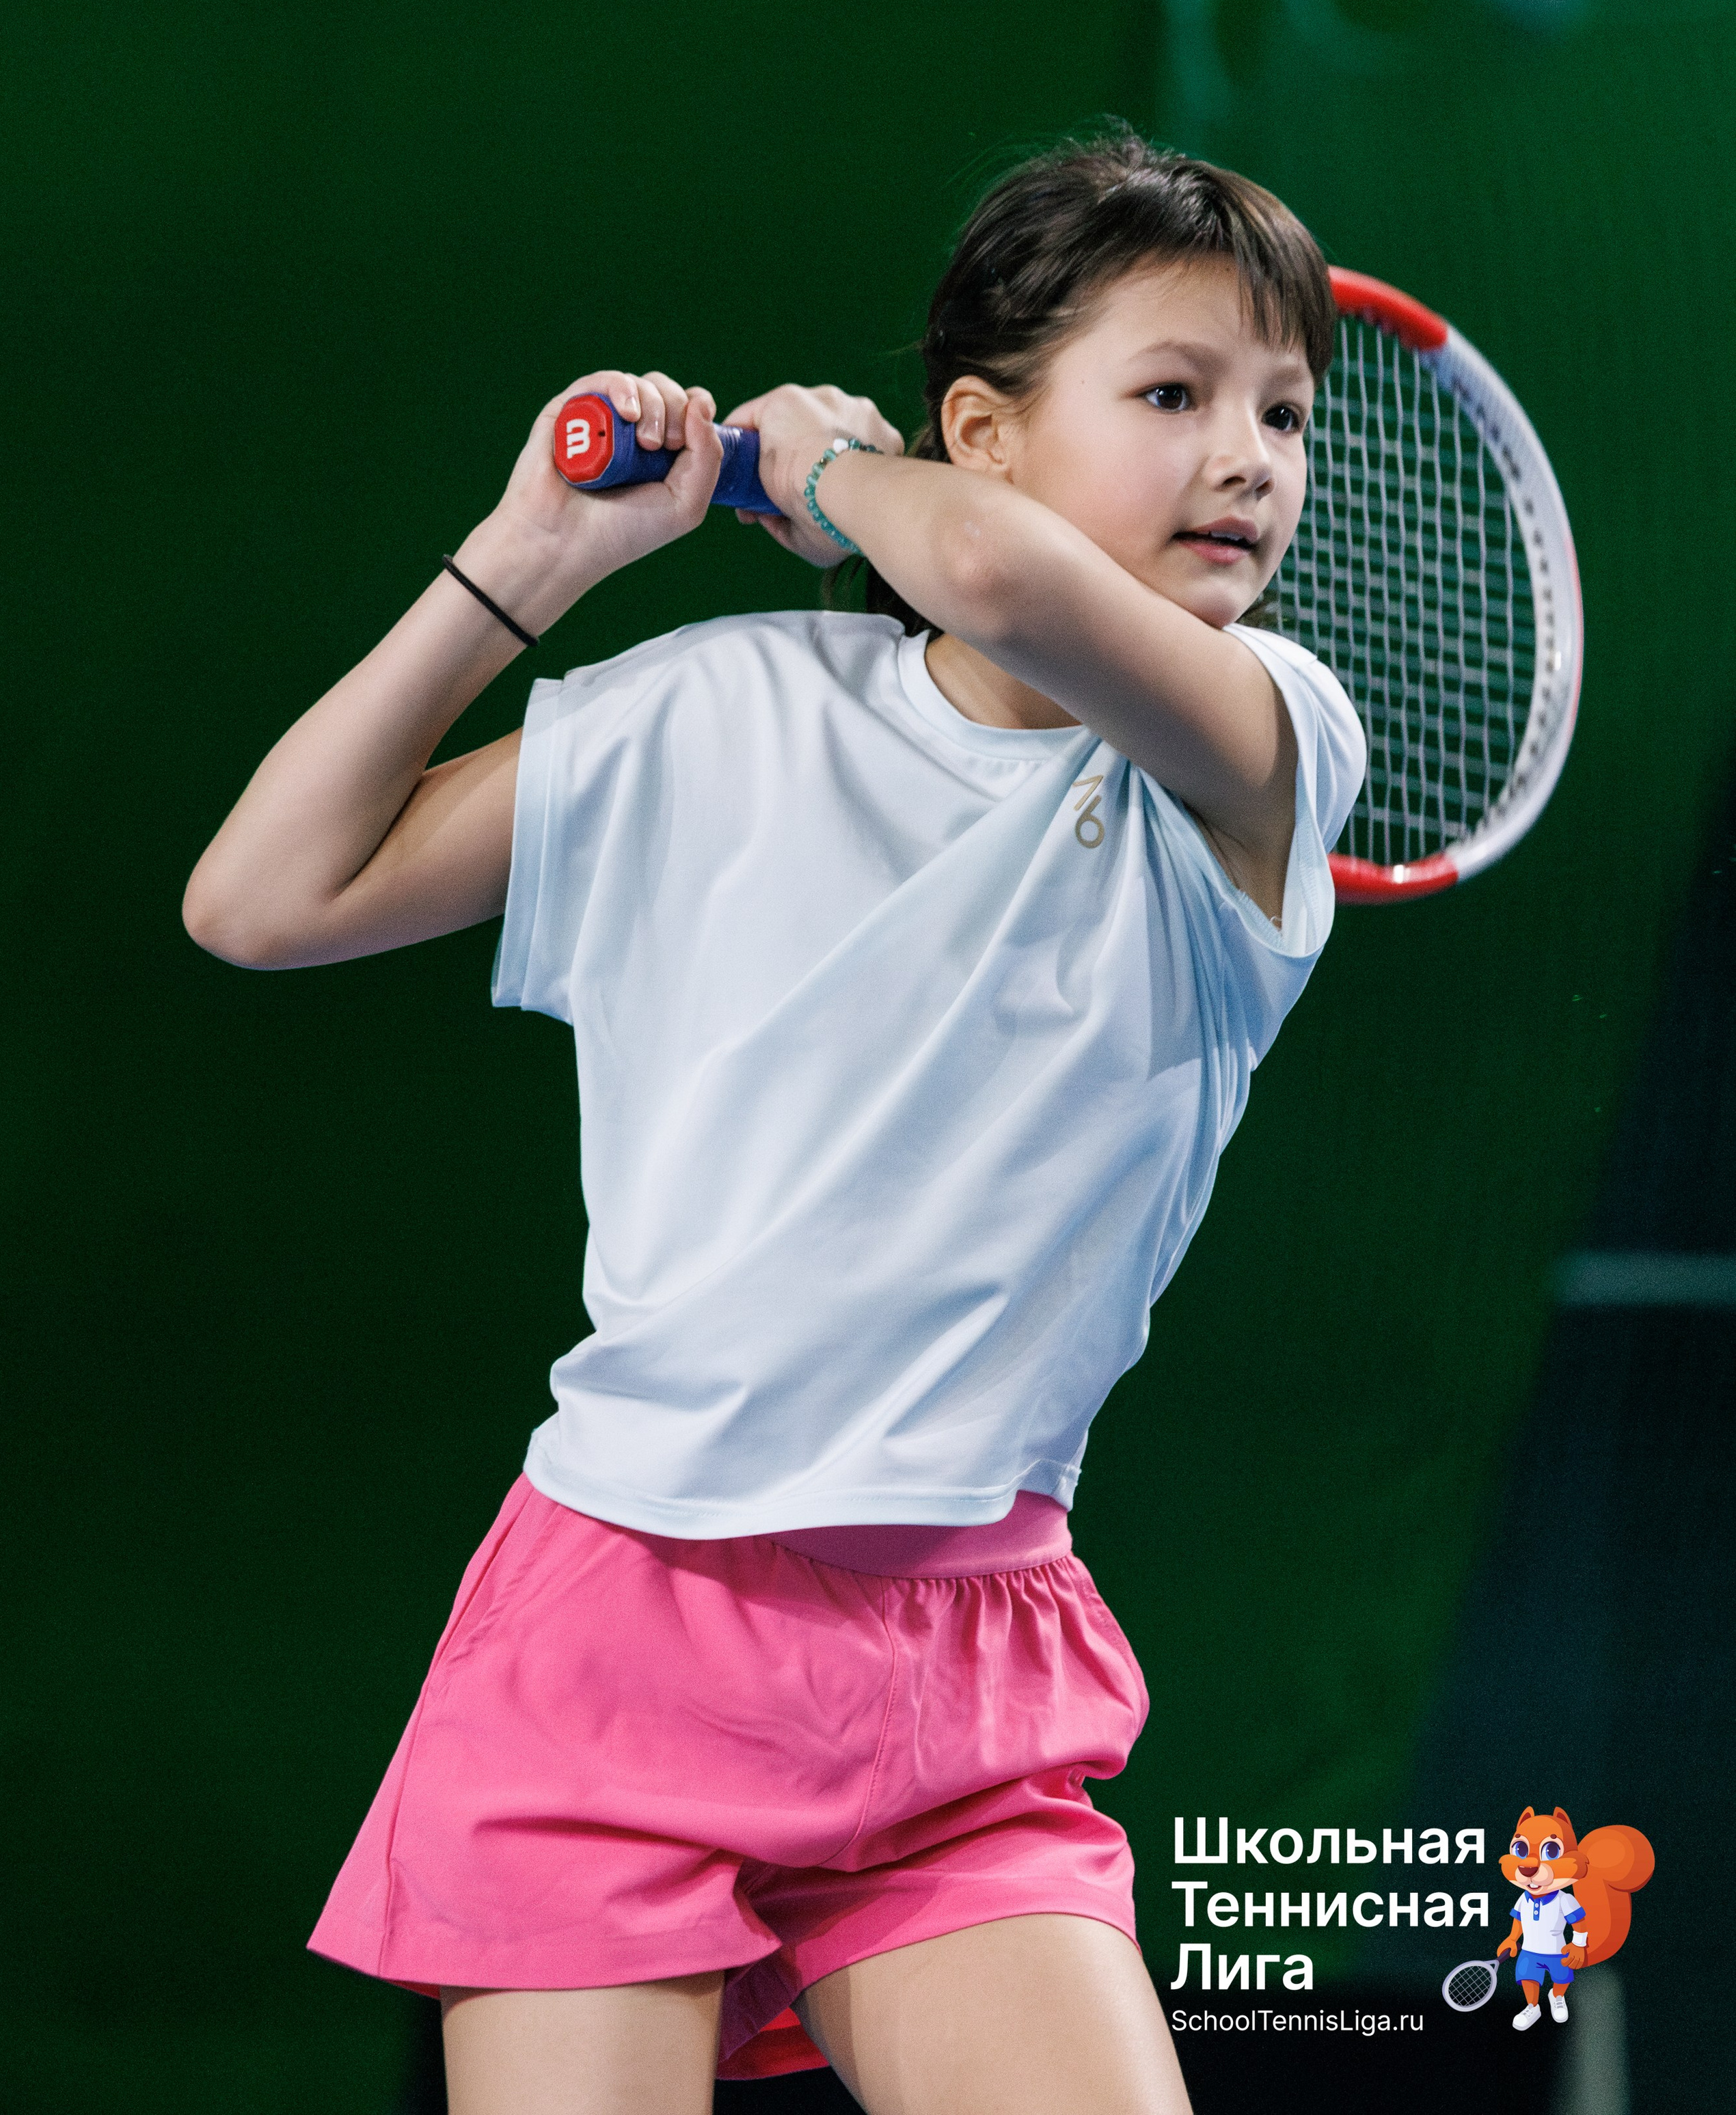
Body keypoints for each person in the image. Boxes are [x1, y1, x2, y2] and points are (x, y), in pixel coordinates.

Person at [184, 128, 1364, 2115]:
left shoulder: (1259, 756)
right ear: (981, 429)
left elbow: (987, 575)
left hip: (968, 1664)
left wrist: (813, 468)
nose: (1247, 456)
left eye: (1282, 412)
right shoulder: (715, 714)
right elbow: (260, 899)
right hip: (615, 1627)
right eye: (1171, 396)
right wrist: (533, 565)